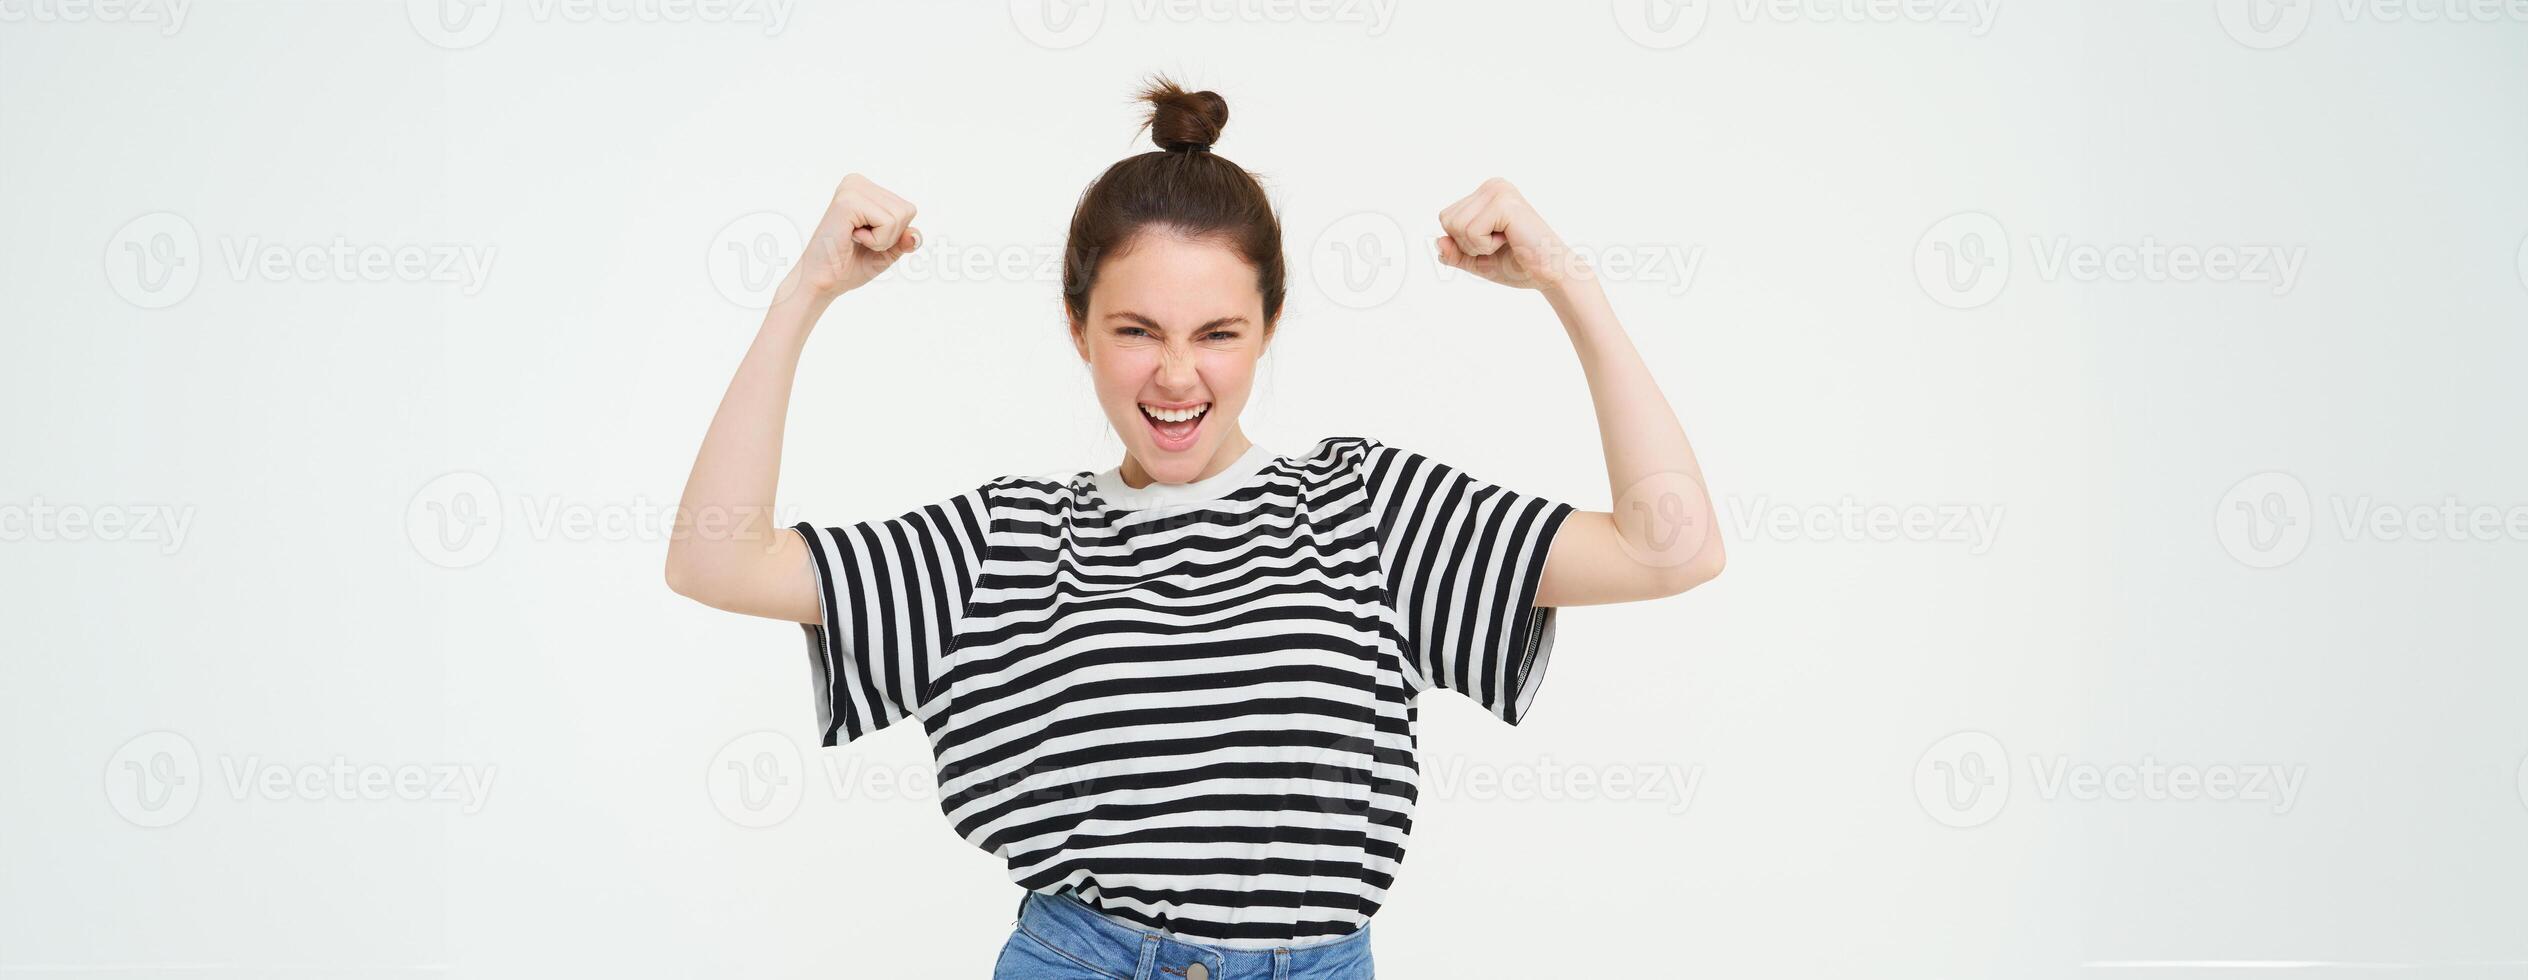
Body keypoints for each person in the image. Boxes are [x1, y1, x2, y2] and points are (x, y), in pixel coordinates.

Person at [665, 73, 1724, 980]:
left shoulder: (1364, 510)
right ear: (1076, 325)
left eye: (1217, 331)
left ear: (1266, 327)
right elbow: (717, 556)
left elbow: (1666, 546)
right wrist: (807, 290)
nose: (1176, 375)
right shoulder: (1006, 540)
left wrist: (1562, 281)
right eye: (1136, 330)